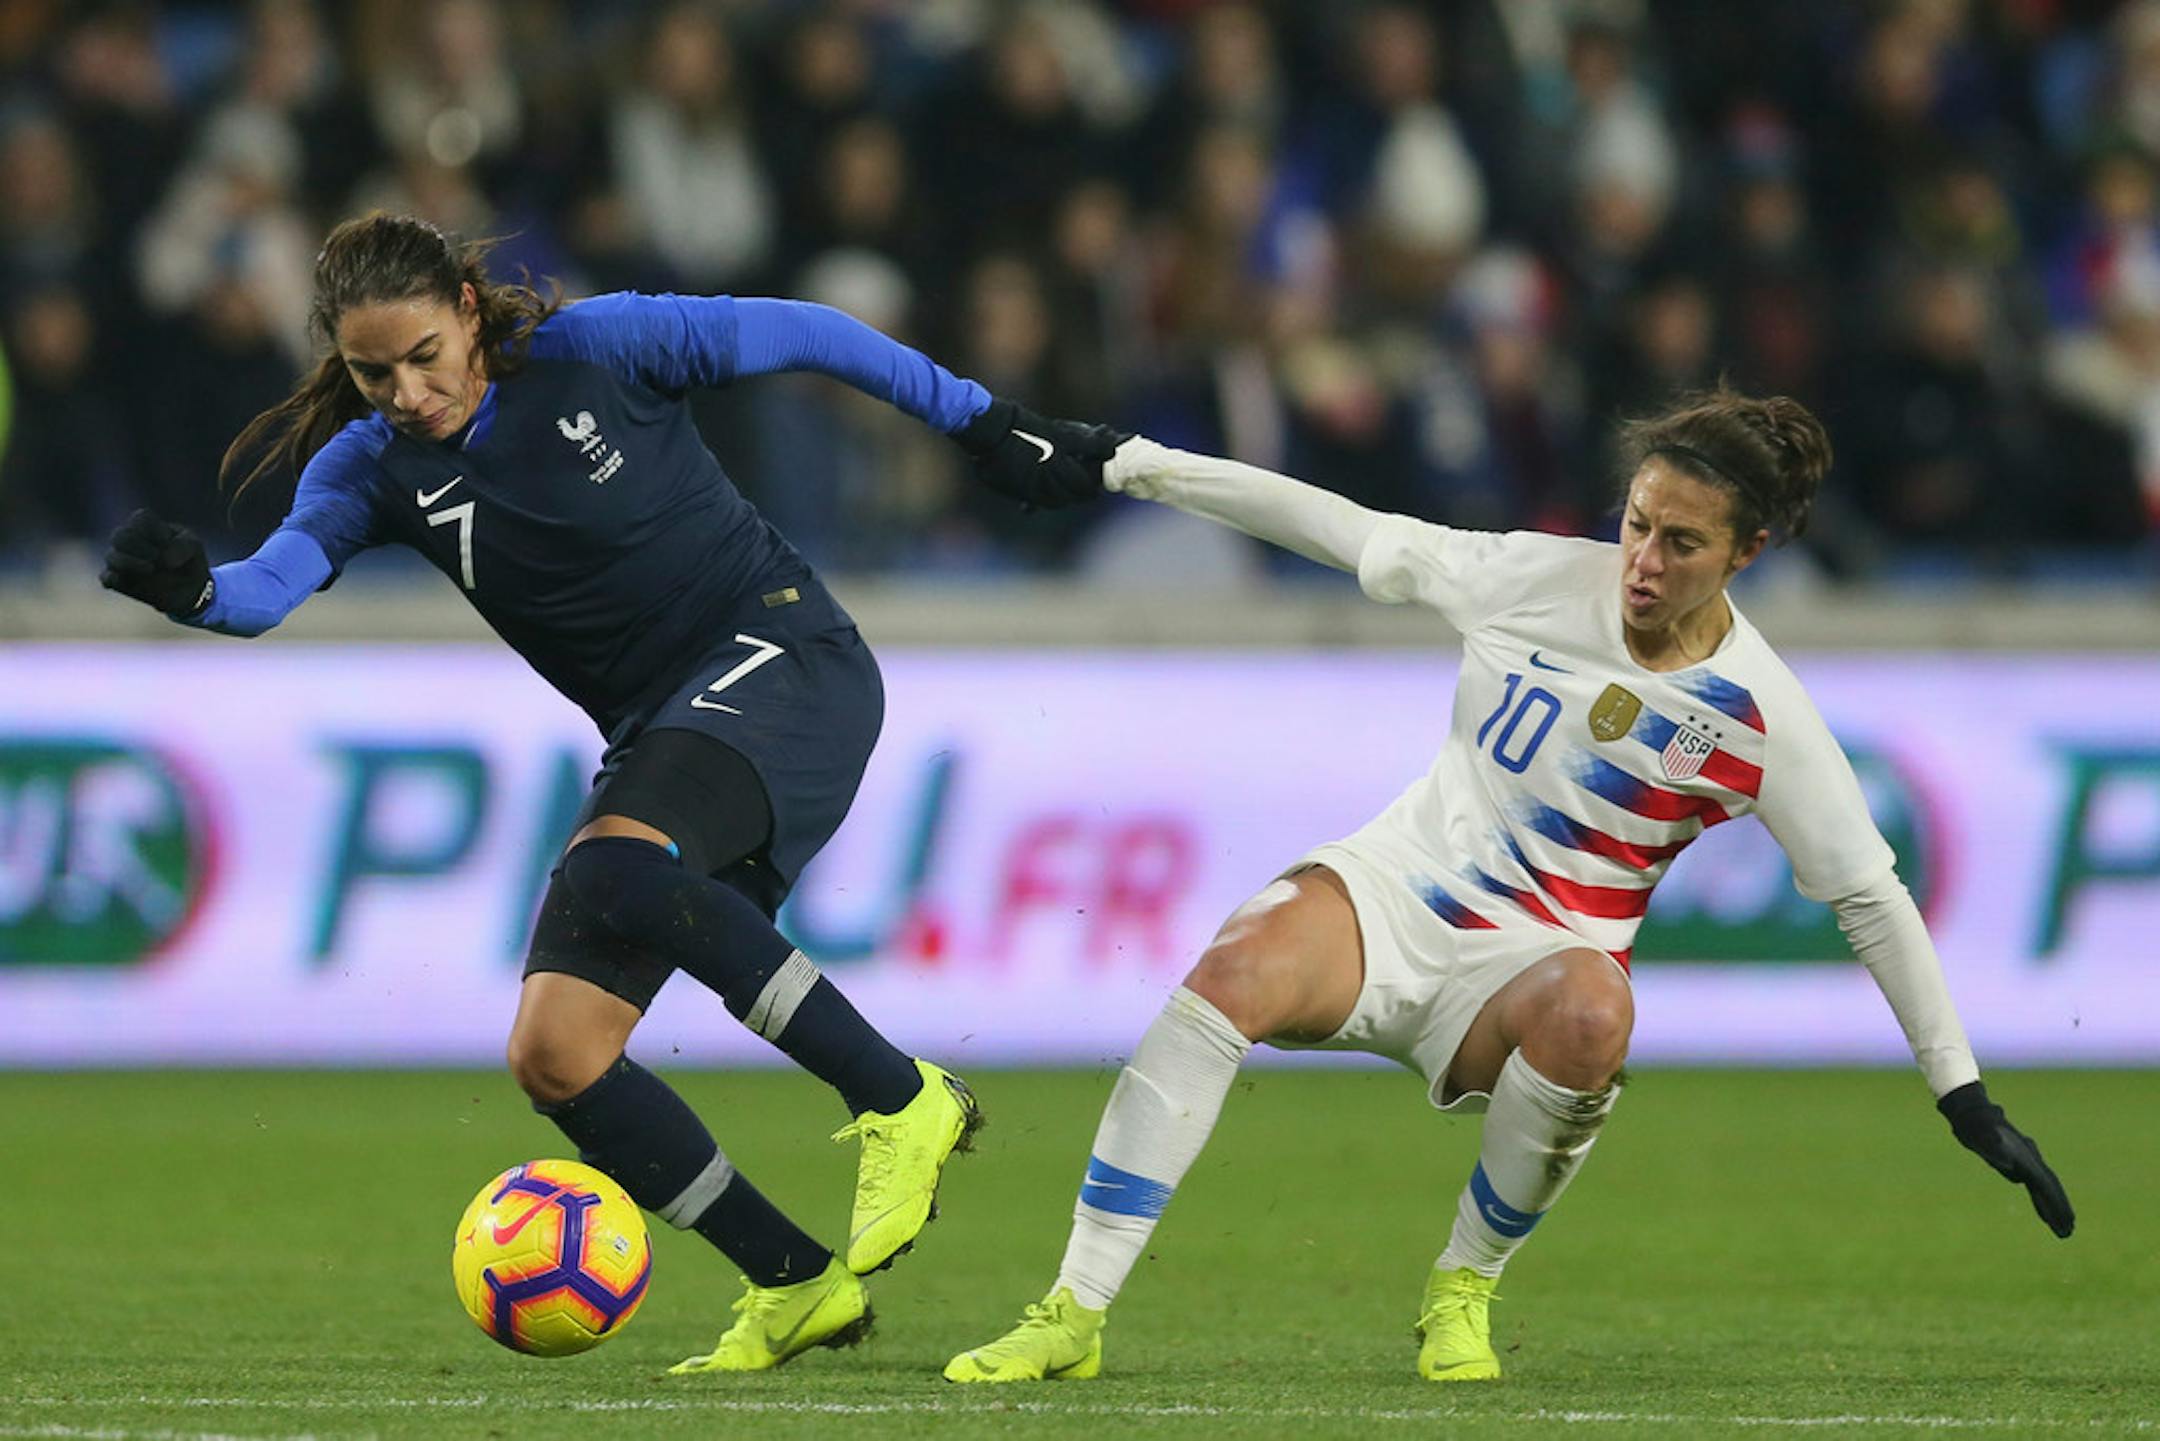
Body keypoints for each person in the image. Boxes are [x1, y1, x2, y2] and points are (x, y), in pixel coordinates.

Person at [98, 210, 1119, 1373]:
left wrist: (984, 423)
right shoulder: (371, 468)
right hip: (662, 729)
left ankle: (903, 1097)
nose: (405, 392)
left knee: (616, 865)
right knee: (556, 1051)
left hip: (788, 659)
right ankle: (793, 1284)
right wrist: (191, 592)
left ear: (469, 313)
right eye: (372, 371)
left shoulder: (605, 347)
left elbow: (813, 334)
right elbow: (265, 589)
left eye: (424, 356)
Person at [943, 387, 2076, 1385]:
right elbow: (1338, 527)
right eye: (1636, 523)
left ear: (1751, 551)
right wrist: (1129, 461)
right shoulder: (1533, 577)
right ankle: (1072, 1311)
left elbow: (1869, 896)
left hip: (1532, 969)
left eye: (1681, 543)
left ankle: (1461, 1288)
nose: (1641, 561)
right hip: (1395, 894)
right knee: (1229, 971)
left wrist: (1960, 1091)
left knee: (1596, 1014)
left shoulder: (1760, 715)